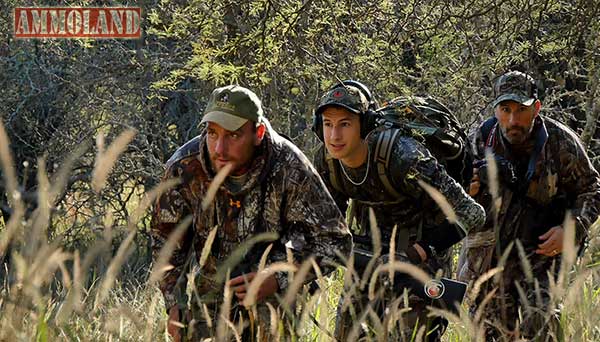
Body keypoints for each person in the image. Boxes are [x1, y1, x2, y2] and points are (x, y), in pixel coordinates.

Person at [152, 85, 352, 341]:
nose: (219, 149)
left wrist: (277, 276)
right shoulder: (184, 167)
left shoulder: (289, 166)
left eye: (233, 136)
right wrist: (174, 305)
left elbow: (337, 242)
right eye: (212, 134)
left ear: (257, 133)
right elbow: (165, 242)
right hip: (210, 296)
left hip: (273, 299)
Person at [312, 81, 485, 341]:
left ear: (365, 125)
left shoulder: (404, 157)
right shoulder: (328, 161)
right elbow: (329, 224)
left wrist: (419, 251)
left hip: (420, 258)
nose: (334, 136)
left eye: (345, 124)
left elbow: (472, 213)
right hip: (368, 257)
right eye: (327, 124)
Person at [458, 71, 600, 340]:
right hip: (490, 259)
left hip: (541, 256)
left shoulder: (559, 141)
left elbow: (592, 188)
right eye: (505, 109)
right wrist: (468, 192)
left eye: (521, 110)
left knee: (542, 323)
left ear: (536, 107)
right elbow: (454, 205)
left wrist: (571, 229)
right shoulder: (479, 141)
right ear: (496, 110)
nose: (513, 120)